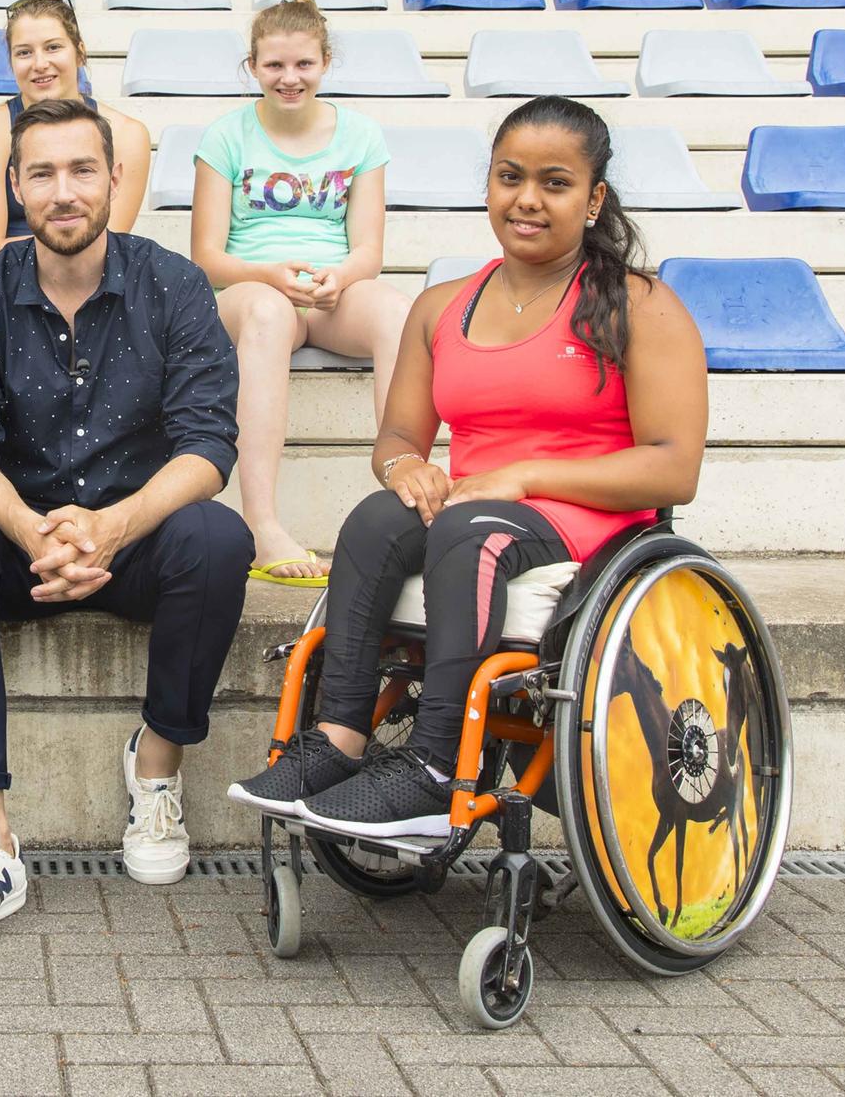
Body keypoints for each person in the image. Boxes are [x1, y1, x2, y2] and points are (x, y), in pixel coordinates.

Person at [227, 95, 707, 840]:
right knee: (377, 521)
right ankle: (337, 741)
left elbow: (675, 469)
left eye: (555, 183)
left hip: (588, 514)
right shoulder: (443, 307)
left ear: (594, 198)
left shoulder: (640, 306)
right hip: (480, 503)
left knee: (467, 533)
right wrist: (404, 469)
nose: (527, 199)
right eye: (510, 177)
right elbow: (397, 438)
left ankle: (432, 764)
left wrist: (525, 477)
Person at [0, 97, 252, 953]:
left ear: (115, 178)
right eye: (43, 173)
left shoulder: (172, 282)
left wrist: (114, 526)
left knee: (218, 538)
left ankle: (157, 768)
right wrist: (33, 531)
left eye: (81, 170)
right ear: (16, 186)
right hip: (18, 542)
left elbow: (209, 443)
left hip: (134, 544)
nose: (64, 192)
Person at [192, 0, 413, 590]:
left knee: (398, 311)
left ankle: (406, 492)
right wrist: (269, 276)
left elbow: (368, 247)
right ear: (253, 67)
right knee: (266, 314)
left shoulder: (362, 135)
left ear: (325, 62)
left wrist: (341, 277)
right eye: (274, 67)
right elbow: (207, 256)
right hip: (251, 290)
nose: (289, 79)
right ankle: (262, 523)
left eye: (303, 66)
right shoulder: (225, 137)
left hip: (330, 289)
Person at [0, 0, 152, 259]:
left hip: (94, 275)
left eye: (53, 47)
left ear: (80, 53)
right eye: (24, 52)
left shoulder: (127, 134)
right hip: (7, 277)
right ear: (11, 62)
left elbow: (106, 244)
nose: (39, 64)